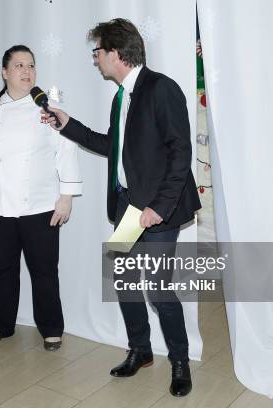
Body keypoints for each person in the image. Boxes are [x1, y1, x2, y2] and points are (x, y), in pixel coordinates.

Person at [43, 19, 201, 396]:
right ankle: (140, 351)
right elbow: (111, 146)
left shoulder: (162, 88)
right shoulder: (121, 97)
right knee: (125, 281)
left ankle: (179, 361)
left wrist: (160, 208)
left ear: (115, 53)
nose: (95, 61)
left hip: (159, 212)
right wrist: (67, 125)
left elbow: (181, 153)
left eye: (97, 53)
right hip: (130, 208)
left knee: (160, 290)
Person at [0, 45, 82, 351]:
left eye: (31, 65)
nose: (27, 71)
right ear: (4, 73)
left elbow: (66, 152)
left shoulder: (49, 108)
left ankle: (51, 328)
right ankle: (2, 325)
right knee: (4, 269)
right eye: (19, 65)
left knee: (44, 270)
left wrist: (66, 197)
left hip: (42, 206)